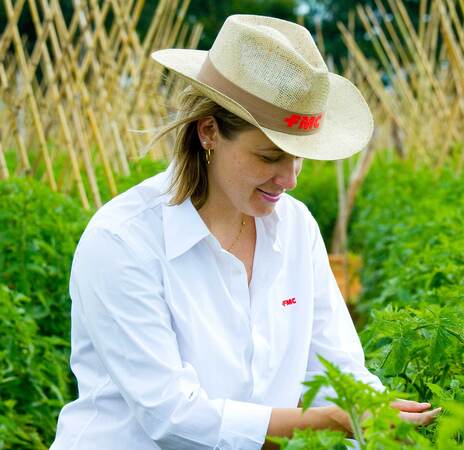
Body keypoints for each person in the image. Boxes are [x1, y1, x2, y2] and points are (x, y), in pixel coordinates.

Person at [51, 14, 440, 450]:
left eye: (298, 158)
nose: (289, 179)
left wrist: (373, 414)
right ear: (209, 132)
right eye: (270, 156)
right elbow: (172, 417)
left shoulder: (294, 228)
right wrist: (324, 424)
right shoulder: (123, 241)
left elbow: (333, 367)